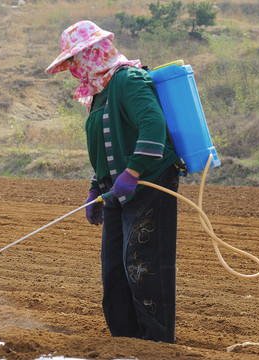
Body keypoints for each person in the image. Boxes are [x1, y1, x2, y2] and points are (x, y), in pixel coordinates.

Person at [46, 21, 180, 343]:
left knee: (142, 266)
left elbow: (152, 127)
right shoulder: (98, 94)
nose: (74, 68)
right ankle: (125, 343)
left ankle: (156, 345)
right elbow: (107, 146)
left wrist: (132, 173)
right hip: (116, 191)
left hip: (149, 184)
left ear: (94, 52)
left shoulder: (128, 80)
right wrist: (97, 183)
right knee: (115, 271)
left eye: (76, 59)